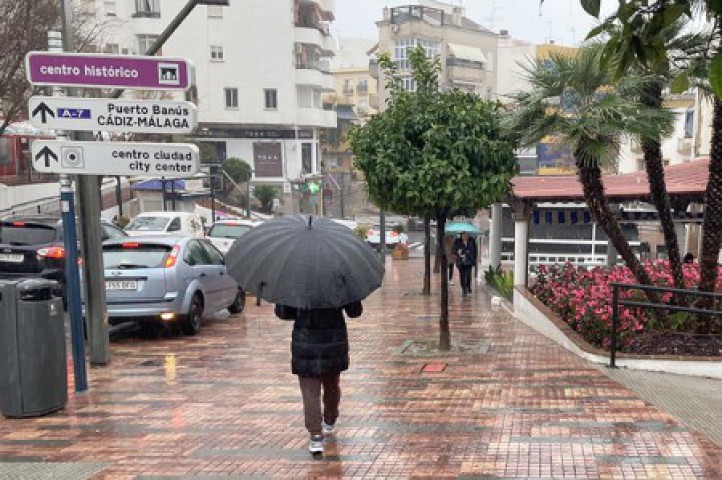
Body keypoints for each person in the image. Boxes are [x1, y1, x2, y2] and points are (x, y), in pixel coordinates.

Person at [274, 301, 363, 455]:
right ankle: (330, 418)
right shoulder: (339, 278)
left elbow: (284, 313)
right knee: (332, 385)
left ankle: (315, 435)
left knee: (309, 391)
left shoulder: (296, 281)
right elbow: (354, 311)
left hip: (305, 343)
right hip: (333, 342)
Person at [453, 232, 477, 296]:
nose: (465, 236)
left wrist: (472, 257)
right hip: (460, 261)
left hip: (469, 261)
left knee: (468, 274)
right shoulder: (457, 241)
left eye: (467, 234)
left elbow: (474, 251)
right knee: (462, 275)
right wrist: (458, 252)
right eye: (464, 235)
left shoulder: (472, 241)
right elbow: (454, 250)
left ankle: (468, 286)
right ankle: (464, 289)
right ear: (461, 235)